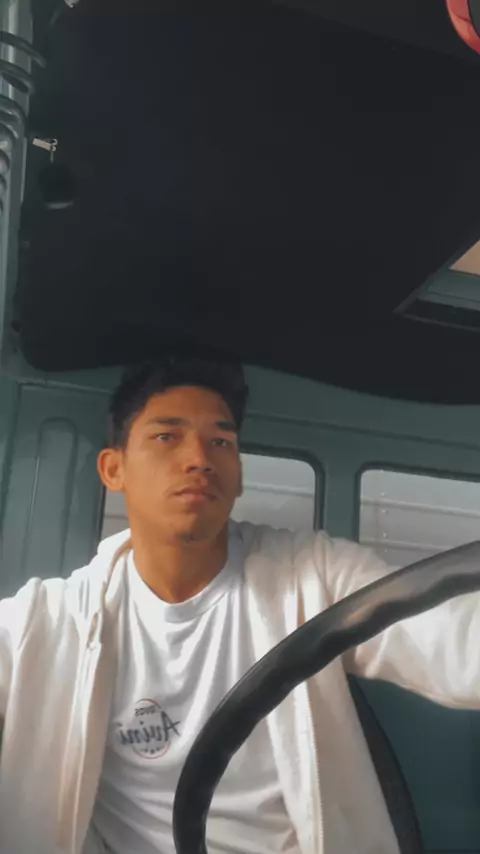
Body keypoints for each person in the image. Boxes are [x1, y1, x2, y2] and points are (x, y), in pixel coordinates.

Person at [1, 346, 480, 854]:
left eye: (221, 441)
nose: (199, 459)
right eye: (167, 436)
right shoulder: (45, 622)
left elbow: (452, 641)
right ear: (113, 469)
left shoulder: (312, 575)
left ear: (239, 474)